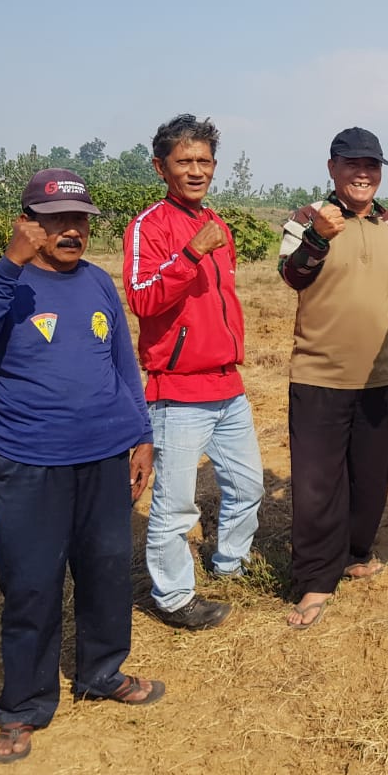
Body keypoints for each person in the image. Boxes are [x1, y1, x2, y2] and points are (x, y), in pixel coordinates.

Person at [0, 168, 163, 765]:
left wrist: (141, 435)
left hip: (102, 458)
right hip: (28, 460)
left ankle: (103, 673)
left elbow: (123, 362)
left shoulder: (97, 283)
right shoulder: (1, 283)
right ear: (29, 224)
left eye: (80, 220)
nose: (71, 231)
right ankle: (23, 705)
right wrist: (8, 265)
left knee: (106, 572)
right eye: (56, 220)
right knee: (32, 583)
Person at [123, 114, 264, 630]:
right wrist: (189, 254)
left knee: (247, 486)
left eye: (204, 160)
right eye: (184, 161)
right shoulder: (149, 226)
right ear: (161, 167)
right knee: (176, 505)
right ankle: (174, 595)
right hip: (177, 391)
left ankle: (230, 564)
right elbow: (142, 298)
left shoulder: (218, 223)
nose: (196, 169)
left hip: (228, 384)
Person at [277, 127, 388, 630]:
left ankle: (356, 552)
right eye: (352, 164)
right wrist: (319, 238)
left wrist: (376, 314)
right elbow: (292, 274)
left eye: (371, 166)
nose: (363, 173)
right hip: (318, 372)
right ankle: (315, 579)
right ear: (332, 167)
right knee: (317, 482)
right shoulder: (309, 217)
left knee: (370, 478)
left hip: (377, 375)